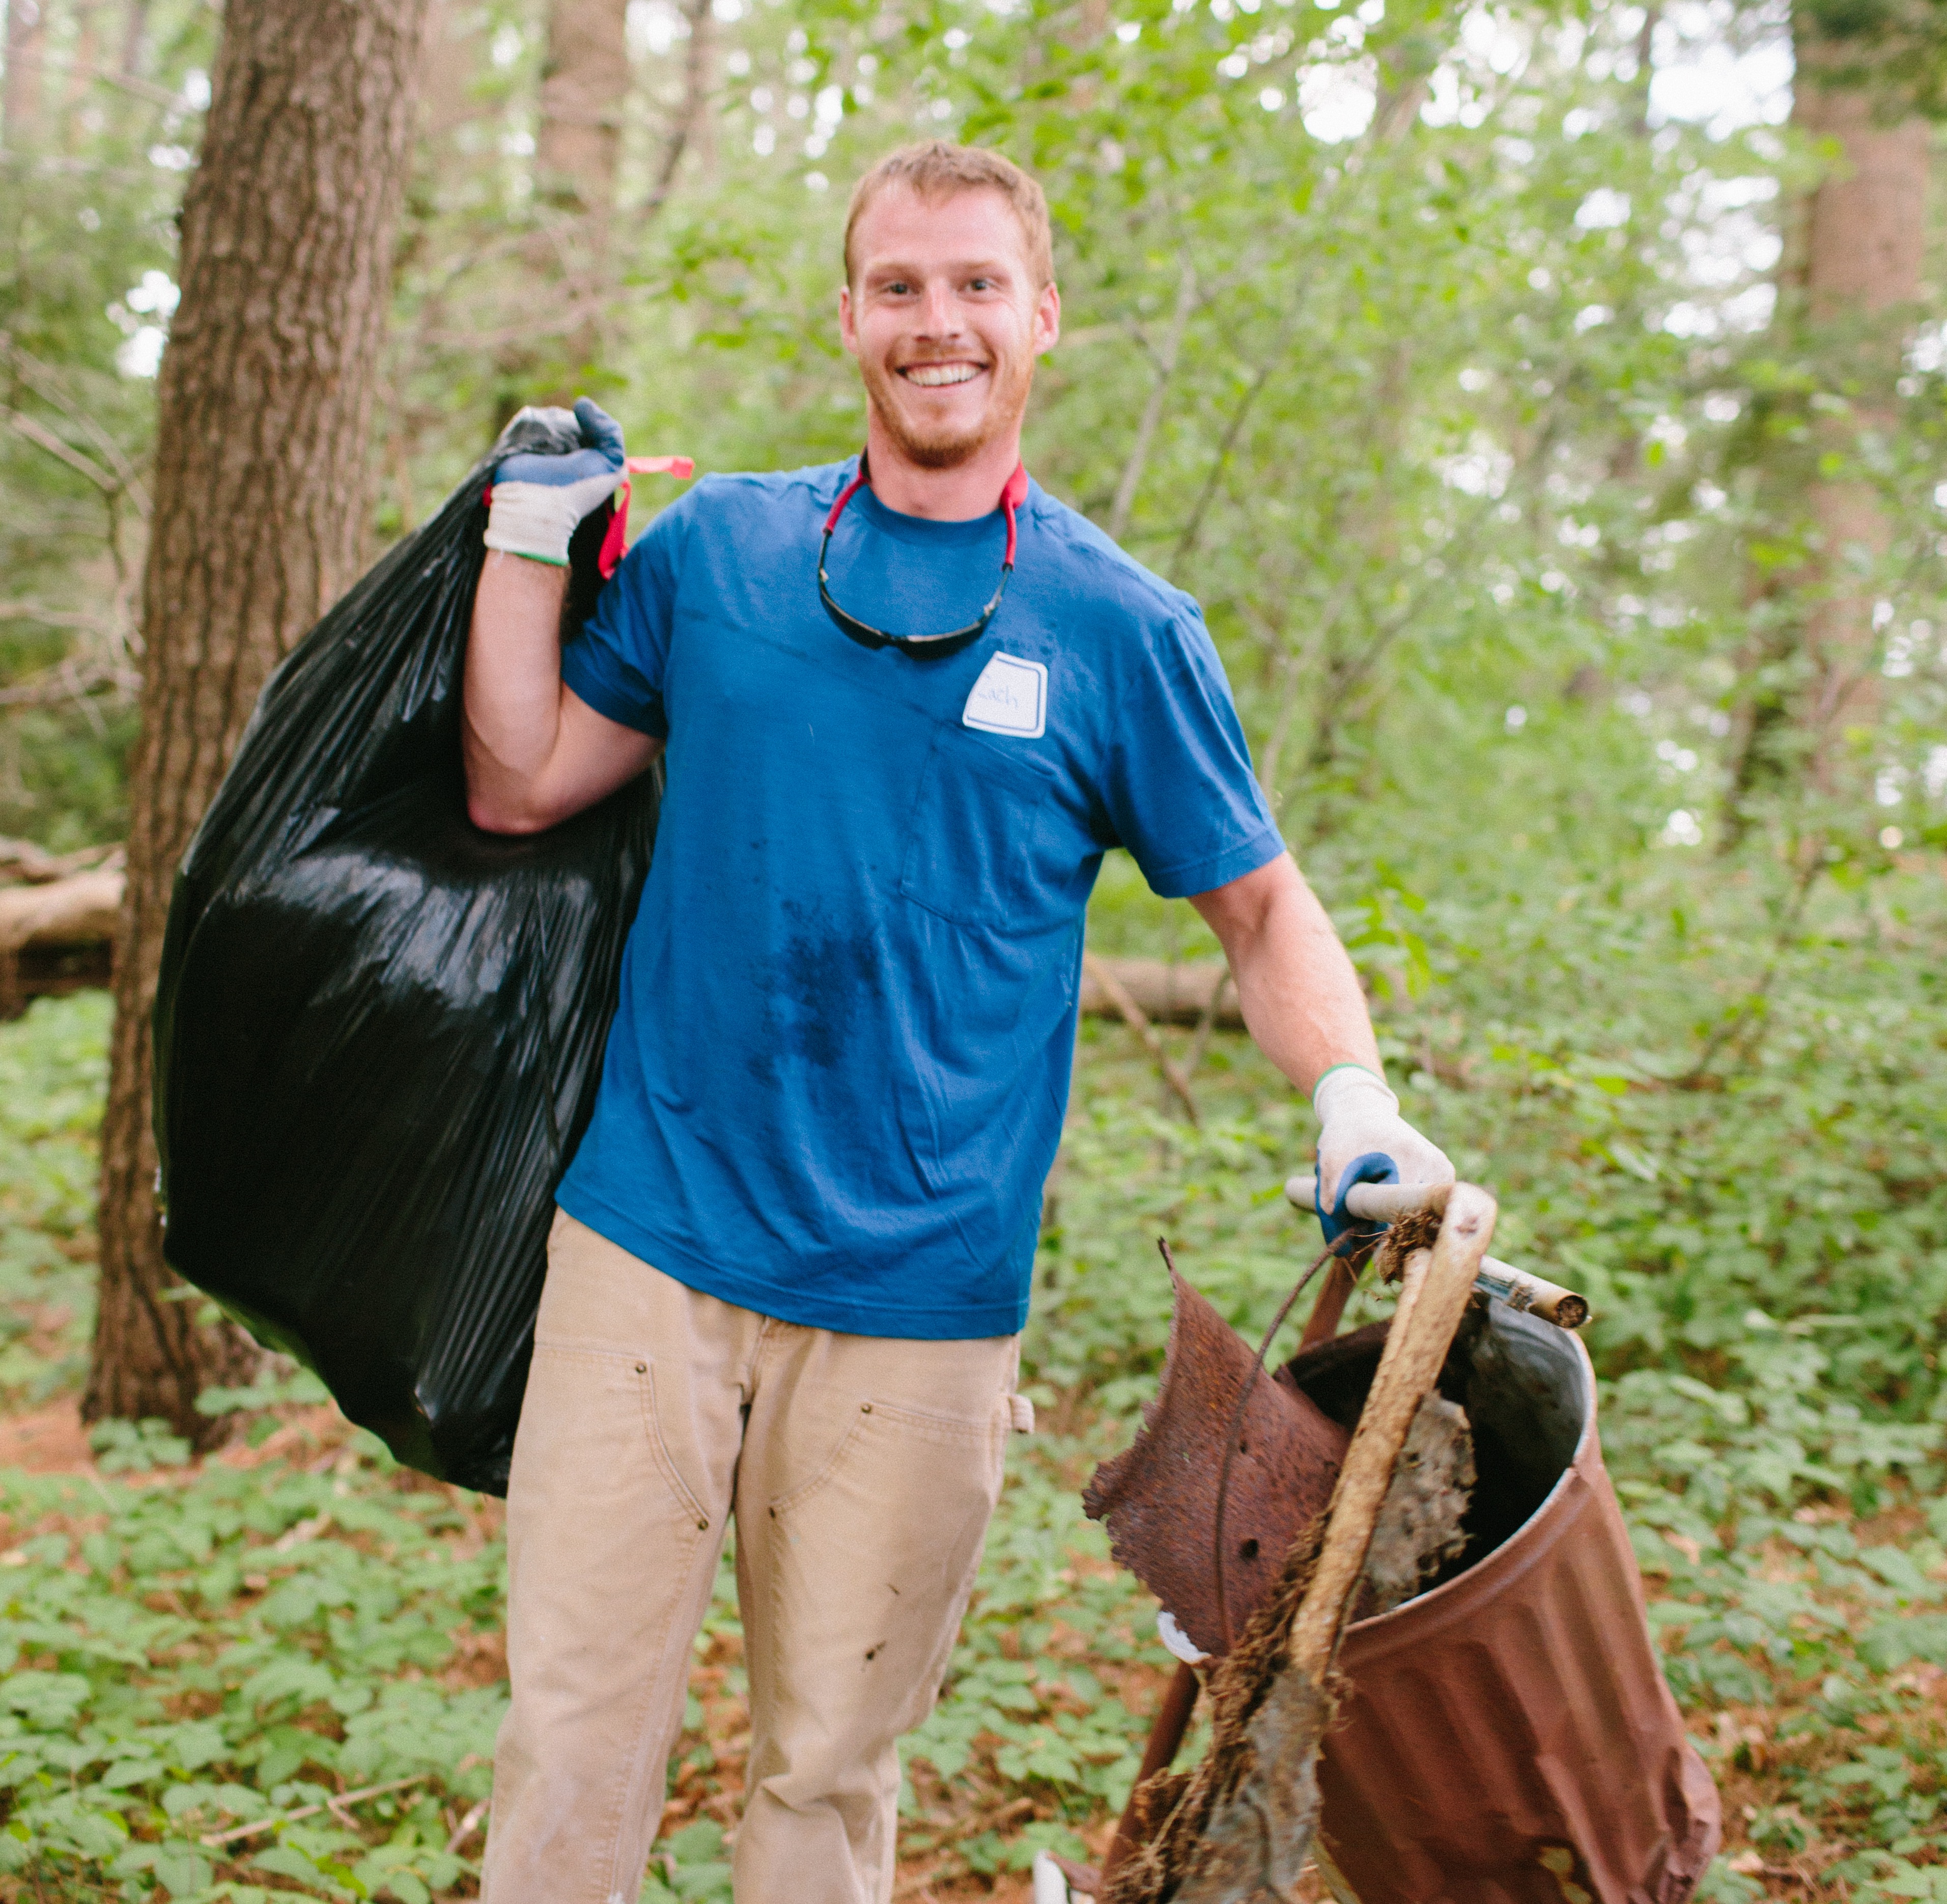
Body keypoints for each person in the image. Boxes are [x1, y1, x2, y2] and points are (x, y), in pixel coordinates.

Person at [463, 140, 1452, 1904]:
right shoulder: (721, 557)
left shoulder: (1122, 629)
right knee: (572, 1731)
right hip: (650, 1246)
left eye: (977, 284)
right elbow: (525, 783)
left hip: (920, 1302)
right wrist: (526, 554)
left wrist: (1352, 1097)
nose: (939, 322)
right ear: (848, 315)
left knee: (827, 1775)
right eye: (900, 285)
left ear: (1042, 318)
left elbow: (1260, 905)